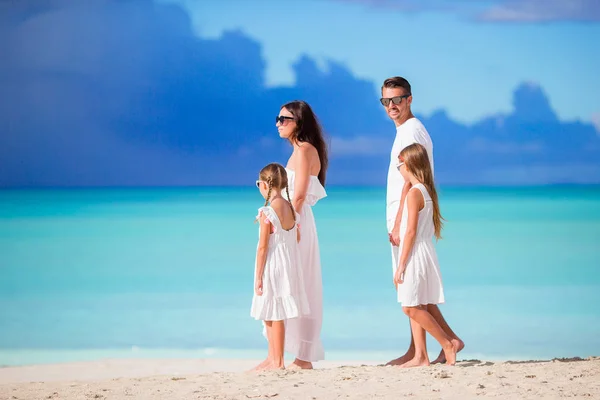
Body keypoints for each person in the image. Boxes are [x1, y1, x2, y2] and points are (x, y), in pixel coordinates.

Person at [381, 76, 464, 365]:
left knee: (411, 290)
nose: (392, 105)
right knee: (413, 291)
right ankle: (421, 349)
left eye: (397, 99)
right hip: (404, 216)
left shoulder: (412, 131)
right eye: (386, 101)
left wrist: (397, 222)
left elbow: (412, 180)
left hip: (407, 218)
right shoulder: (405, 129)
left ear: (409, 99)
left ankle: (424, 352)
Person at [393, 143, 457, 367]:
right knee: (419, 305)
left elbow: (410, 231)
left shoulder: (414, 193)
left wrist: (401, 265)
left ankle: (447, 343)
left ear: (408, 164)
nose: (398, 169)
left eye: (400, 164)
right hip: (425, 251)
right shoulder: (426, 191)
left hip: (415, 254)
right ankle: (428, 354)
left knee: (410, 307)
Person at [278, 100, 328, 369]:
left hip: (297, 221)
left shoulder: (304, 150)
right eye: (278, 119)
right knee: (294, 282)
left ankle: (303, 357)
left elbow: (297, 195)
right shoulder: (300, 150)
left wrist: (291, 225)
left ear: (299, 122)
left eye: (285, 119)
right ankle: (292, 354)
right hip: (296, 220)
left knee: (303, 283)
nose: (278, 123)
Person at [250, 163, 309, 370]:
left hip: (273, 263)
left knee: (272, 312)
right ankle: (274, 358)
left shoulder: (267, 211)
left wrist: (258, 276)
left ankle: (278, 361)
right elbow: (297, 237)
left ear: (266, 185)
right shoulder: (290, 208)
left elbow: (262, 247)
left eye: (258, 183)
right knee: (272, 311)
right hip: (288, 263)